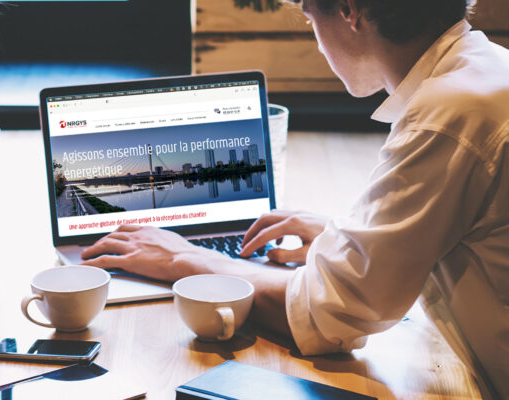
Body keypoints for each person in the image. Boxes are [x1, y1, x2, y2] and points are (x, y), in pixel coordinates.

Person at [81, 0, 508, 398]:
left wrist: (187, 259)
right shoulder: (486, 70)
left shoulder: (450, 113)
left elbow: (328, 316)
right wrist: (342, 237)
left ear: (348, 11)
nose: (316, 41)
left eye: (308, 17)